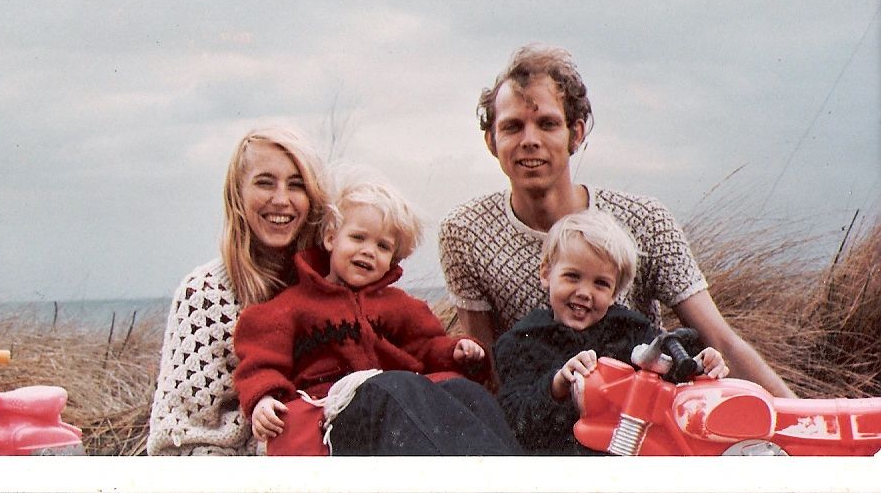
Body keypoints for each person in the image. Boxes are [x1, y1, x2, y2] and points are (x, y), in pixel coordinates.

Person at [439, 43, 795, 397]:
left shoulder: (645, 220)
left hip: (645, 412)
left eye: (547, 124)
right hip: (541, 420)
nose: (529, 140)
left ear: (575, 134)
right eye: (513, 127)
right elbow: (486, 372)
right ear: (491, 140)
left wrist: (813, 423)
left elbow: (722, 340)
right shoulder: (465, 232)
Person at [234, 177, 520, 455]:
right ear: (331, 238)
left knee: (465, 392)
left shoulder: (400, 306)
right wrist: (263, 398)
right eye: (358, 237)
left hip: (394, 408)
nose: (368, 251)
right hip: (333, 413)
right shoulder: (294, 306)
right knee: (393, 386)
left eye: (383, 246)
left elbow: (426, 346)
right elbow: (260, 361)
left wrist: (456, 351)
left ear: (393, 259)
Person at [147, 125, 330, 455]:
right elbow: (177, 443)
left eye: (297, 185)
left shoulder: (331, 285)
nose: (281, 200)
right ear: (237, 194)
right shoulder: (204, 296)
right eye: (264, 183)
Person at [494, 209, 728, 454]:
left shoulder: (630, 330)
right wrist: (557, 385)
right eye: (572, 277)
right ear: (546, 273)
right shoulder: (522, 341)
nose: (584, 292)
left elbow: (670, 370)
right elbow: (514, 422)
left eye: (600, 283)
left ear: (615, 292)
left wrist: (701, 364)